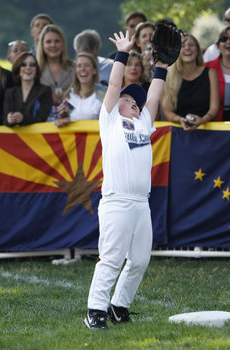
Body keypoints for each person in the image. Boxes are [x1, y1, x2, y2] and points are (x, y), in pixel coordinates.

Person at [84, 27, 170, 330]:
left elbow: (155, 95)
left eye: (137, 102)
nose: (134, 103)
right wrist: (122, 53)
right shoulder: (109, 120)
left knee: (139, 261)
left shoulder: (143, 122)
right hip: (117, 201)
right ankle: (95, 310)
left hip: (140, 205)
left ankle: (118, 306)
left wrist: (162, 67)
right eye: (128, 99)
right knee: (111, 258)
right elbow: (115, 84)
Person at [161, 33, 219, 131]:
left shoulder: (210, 73)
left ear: (197, 50)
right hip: (178, 133)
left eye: (191, 45)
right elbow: (167, 111)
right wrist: (181, 120)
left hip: (206, 131)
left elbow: (214, 108)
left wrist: (202, 120)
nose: (187, 48)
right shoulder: (169, 76)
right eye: (182, 46)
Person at [3, 51, 52, 127]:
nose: (28, 67)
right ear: (18, 69)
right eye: (23, 65)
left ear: (36, 70)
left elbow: (42, 119)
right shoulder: (10, 93)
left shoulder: (45, 91)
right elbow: (4, 120)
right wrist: (9, 119)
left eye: (32, 65)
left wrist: (23, 118)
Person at [54, 52, 102, 127]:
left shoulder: (102, 94)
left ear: (94, 70)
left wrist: (69, 120)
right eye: (79, 66)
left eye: (87, 65)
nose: (82, 69)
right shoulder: (70, 94)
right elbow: (60, 119)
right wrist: (62, 115)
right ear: (76, 71)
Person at [36, 24, 75, 108]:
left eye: (57, 41)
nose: (53, 45)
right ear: (42, 45)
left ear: (63, 43)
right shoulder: (35, 69)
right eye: (48, 42)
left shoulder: (75, 68)